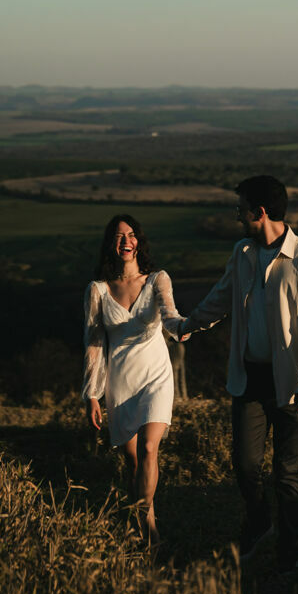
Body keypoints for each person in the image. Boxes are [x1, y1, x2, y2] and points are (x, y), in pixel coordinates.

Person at [178, 174, 298, 576]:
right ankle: (260, 520)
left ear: (259, 212)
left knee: (287, 474)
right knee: (246, 466)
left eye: (241, 209)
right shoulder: (243, 252)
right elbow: (222, 296)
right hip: (249, 380)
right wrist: (189, 324)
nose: (237, 216)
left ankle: (289, 549)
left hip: (293, 386)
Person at [81, 213, 187, 544]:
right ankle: (145, 526)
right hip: (120, 381)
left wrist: (187, 326)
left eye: (130, 235)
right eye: (117, 236)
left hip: (155, 376)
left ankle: (150, 536)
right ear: (110, 244)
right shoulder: (97, 290)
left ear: (138, 241)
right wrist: (92, 395)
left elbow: (170, 317)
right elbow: (94, 344)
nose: (125, 241)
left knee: (150, 448)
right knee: (133, 463)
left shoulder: (158, 280)